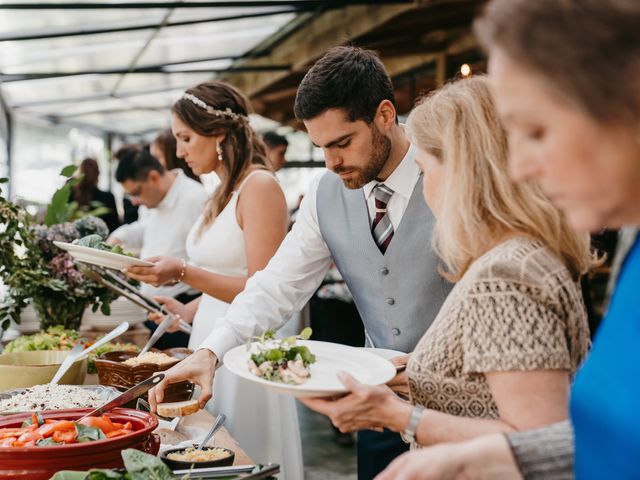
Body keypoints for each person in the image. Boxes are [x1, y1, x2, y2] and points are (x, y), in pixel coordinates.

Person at [147, 46, 453, 479]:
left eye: (343, 143)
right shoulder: (326, 193)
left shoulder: (452, 174)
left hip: (465, 408)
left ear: (385, 115)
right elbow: (276, 284)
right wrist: (211, 351)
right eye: (321, 147)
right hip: (377, 405)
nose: (331, 163)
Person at [375, 1, 640, 478]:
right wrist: (475, 453)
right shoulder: (629, 247)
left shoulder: (510, 268)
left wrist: (403, 418)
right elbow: (593, 436)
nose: (520, 169)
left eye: (538, 130)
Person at [302, 76, 592, 447]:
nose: (423, 186)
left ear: (464, 170)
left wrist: (395, 415)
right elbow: (486, 385)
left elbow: (537, 440)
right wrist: (405, 376)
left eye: (424, 168)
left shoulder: (505, 275)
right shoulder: (519, 256)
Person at [122, 81, 300, 478]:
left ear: (218, 133)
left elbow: (262, 287)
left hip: (244, 354)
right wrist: (185, 307)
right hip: (207, 339)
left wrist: (183, 272)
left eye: (185, 138)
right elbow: (225, 280)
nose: (180, 152)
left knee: (241, 456)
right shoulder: (221, 191)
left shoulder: (261, 187)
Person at [108, 148, 207, 348]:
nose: (135, 201)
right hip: (154, 307)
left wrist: (178, 273)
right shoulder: (152, 201)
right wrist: (116, 238)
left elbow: (211, 259)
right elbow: (145, 229)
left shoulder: (196, 199)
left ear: (153, 177)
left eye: (136, 193)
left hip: (184, 308)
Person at [69, 157, 120, 232]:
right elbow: (115, 228)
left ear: (79, 174)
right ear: (98, 174)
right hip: (102, 241)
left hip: (72, 242)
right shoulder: (108, 198)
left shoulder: (71, 196)